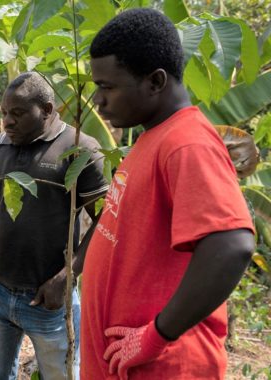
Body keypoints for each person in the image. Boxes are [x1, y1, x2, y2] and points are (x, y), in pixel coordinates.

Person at [82, 8, 256, 379]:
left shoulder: (186, 143)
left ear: (155, 81)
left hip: (166, 368)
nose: (98, 100)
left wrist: (157, 335)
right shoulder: (154, 137)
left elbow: (231, 243)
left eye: (107, 86)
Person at [0, 72, 108, 380]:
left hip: (49, 301)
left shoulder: (79, 148)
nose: (7, 122)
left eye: (17, 114)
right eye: (4, 113)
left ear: (46, 109)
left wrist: (66, 276)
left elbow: (106, 222)